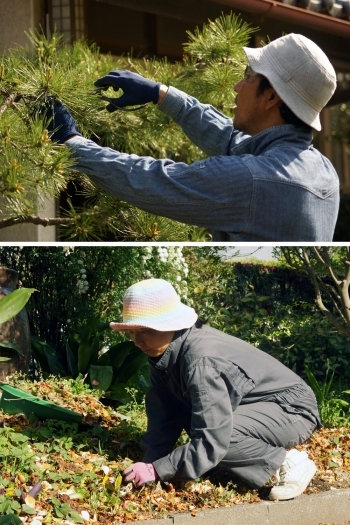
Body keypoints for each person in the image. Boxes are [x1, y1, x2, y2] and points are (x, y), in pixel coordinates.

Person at [43, 33, 339, 242]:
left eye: (248, 76)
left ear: (271, 96)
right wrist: (161, 93)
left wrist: (73, 143)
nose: (237, 86)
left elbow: (155, 180)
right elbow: (230, 140)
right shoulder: (323, 171)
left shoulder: (254, 182)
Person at [110, 278, 320, 501]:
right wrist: (151, 461)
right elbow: (166, 413)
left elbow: (213, 438)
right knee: (202, 427)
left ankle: (287, 462)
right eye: (130, 333)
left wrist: (159, 470)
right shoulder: (163, 351)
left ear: (169, 324)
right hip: (256, 406)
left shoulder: (200, 361)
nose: (136, 341)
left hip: (292, 409)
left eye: (143, 331)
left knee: (223, 435)